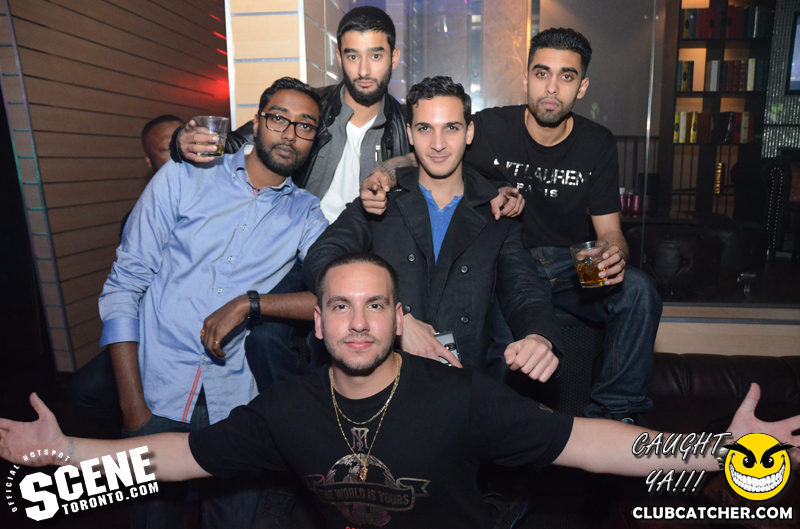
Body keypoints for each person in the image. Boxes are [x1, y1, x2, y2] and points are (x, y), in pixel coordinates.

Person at [2, 253, 798, 529]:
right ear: (317, 323)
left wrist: (723, 453)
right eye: (341, 307)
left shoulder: (460, 396)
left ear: (397, 318)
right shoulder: (286, 409)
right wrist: (66, 453)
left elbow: (590, 442)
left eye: (375, 305)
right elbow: (179, 458)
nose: (358, 322)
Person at [361, 28, 662, 422]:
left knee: (639, 291)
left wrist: (614, 255)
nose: (551, 87)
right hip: (509, 262)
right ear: (526, 78)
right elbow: (429, 154)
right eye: (542, 73)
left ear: (582, 86)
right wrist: (381, 176)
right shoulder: (490, 127)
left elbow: (610, 233)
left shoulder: (597, 142)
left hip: (570, 267)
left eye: (566, 76)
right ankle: (501, 429)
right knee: (505, 336)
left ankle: (615, 413)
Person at [97, 77, 328, 528]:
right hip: (156, 393)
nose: (289, 134)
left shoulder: (306, 213)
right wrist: (132, 408)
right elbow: (124, 285)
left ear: (314, 139)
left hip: (235, 406)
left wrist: (250, 303)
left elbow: (334, 298)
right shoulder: (183, 176)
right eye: (279, 119)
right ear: (256, 123)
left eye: (305, 126)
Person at [302, 76, 560, 381]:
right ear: (410, 134)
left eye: (451, 128)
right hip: (381, 381)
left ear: (469, 132)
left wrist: (539, 337)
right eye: (425, 129)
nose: (438, 144)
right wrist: (398, 320)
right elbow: (321, 258)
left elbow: (523, 289)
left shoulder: (496, 214)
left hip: (463, 384)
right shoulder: (380, 201)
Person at [172, 6, 411, 224]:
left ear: (394, 58)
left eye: (375, 56)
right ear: (340, 58)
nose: (364, 70)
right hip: (298, 240)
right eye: (353, 56)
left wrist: (397, 166)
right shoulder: (311, 107)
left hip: (369, 248)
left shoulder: (407, 123)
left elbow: (430, 157)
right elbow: (239, 143)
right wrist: (184, 141)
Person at [71, 114, 185, 434]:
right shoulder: (140, 218)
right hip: (152, 329)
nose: (180, 153)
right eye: (168, 149)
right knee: (85, 392)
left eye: (184, 142)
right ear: (149, 162)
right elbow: (125, 289)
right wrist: (133, 412)